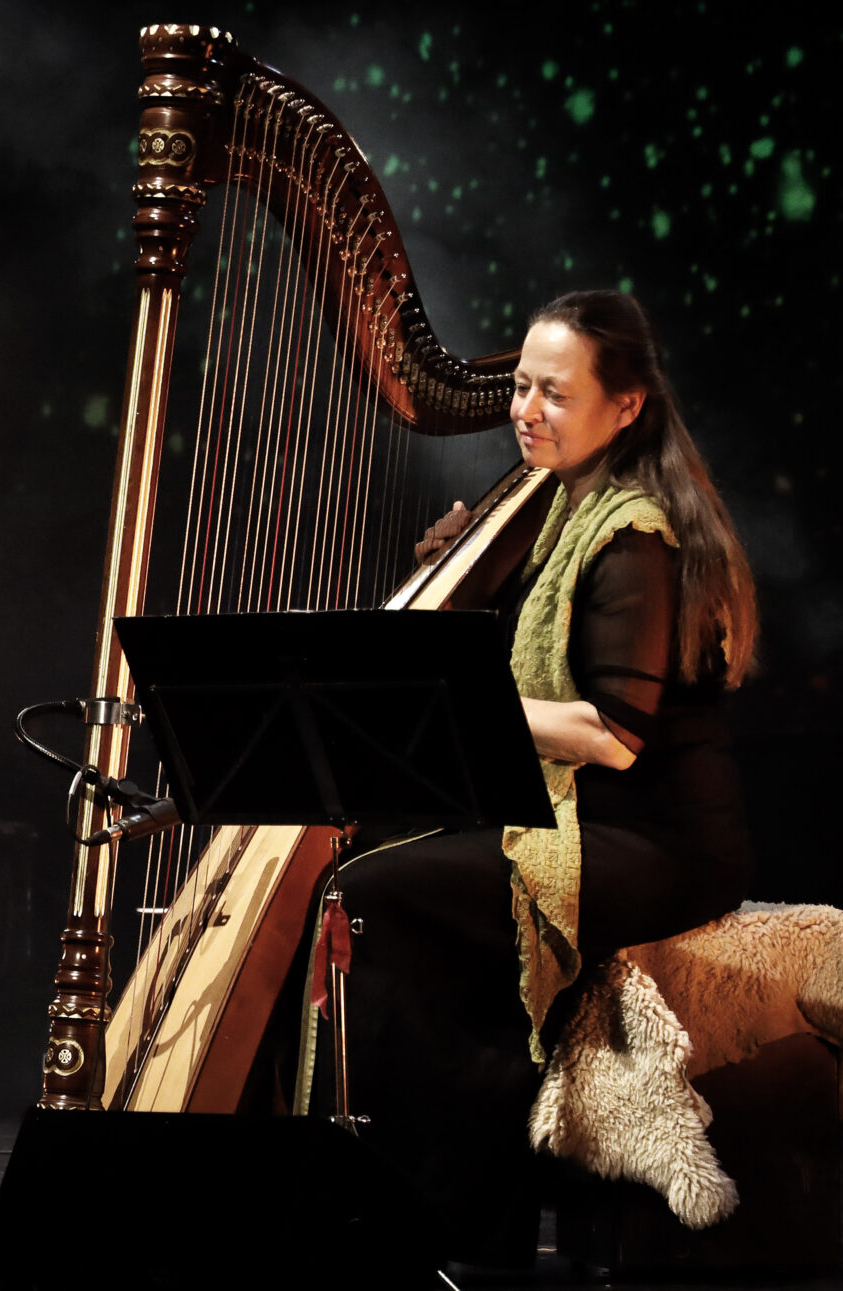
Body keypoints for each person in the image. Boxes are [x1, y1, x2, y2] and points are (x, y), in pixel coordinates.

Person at [344, 289, 757, 1267]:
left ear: (624, 407)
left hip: (658, 837)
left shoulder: (634, 533)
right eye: (520, 387)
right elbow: (538, 671)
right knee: (376, 863)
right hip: (577, 817)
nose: (525, 409)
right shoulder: (558, 509)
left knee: (373, 894)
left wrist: (443, 695)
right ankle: (460, 1204)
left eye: (553, 392)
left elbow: (611, 734)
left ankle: (458, 1214)